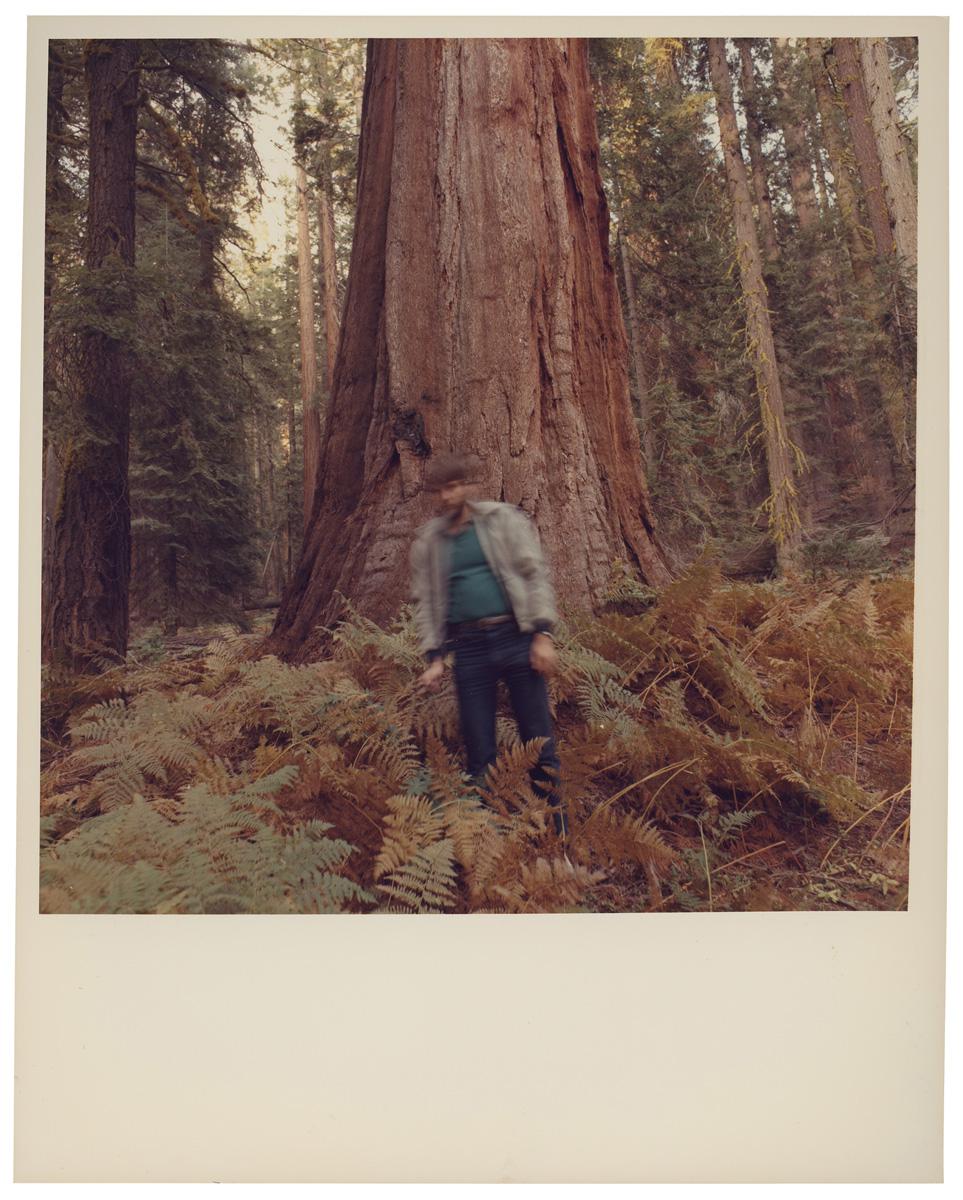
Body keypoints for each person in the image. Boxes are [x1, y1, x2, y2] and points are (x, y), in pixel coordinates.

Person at [409, 451, 569, 840]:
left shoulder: (501, 521)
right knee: (479, 749)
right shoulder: (430, 542)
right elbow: (428, 602)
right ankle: (489, 843)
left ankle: (559, 832)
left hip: (515, 637)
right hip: (469, 649)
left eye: (454, 486)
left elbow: (534, 576)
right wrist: (434, 657)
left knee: (538, 742)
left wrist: (543, 634)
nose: (448, 496)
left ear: (467, 487)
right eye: (441, 490)